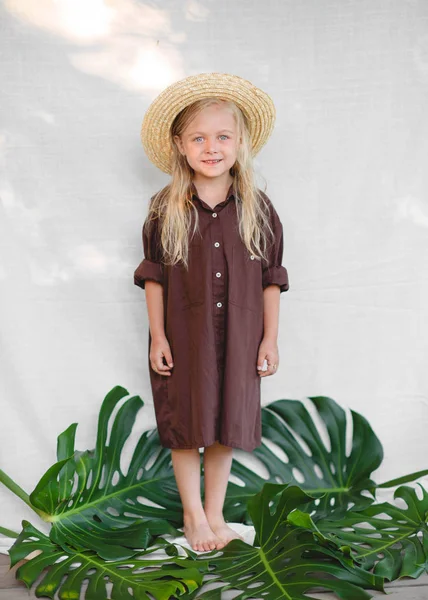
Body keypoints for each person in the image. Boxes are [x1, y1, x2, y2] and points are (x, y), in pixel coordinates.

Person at [134, 73, 289, 553]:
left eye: (222, 136)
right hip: (186, 337)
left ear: (240, 142)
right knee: (188, 426)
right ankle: (192, 514)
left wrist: (269, 338)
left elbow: (271, 278)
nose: (211, 147)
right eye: (198, 137)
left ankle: (216, 512)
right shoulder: (166, 208)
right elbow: (154, 276)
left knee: (224, 425)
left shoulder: (258, 209)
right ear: (180, 145)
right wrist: (158, 336)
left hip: (241, 336)